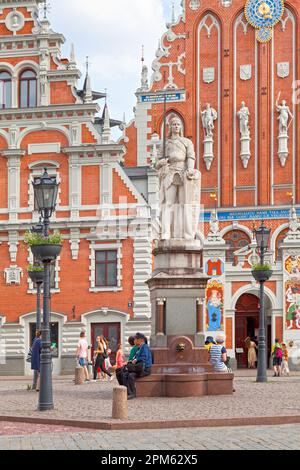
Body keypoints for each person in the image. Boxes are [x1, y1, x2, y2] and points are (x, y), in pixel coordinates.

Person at [156, 116, 201, 240]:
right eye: (174, 124)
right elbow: (157, 162)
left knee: (184, 204)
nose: (176, 126)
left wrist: (190, 169)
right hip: (169, 173)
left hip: (183, 173)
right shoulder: (165, 143)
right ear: (170, 127)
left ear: (181, 127)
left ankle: (186, 233)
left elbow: (191, 156)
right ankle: (166, 233)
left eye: (178, 124)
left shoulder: (187, 142)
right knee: (168, 204)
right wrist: (162, 162)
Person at [122, 333, 152, 400]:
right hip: (139, 368)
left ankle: (132, 393)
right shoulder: (140, 347)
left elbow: (144, 357)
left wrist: (136, 359)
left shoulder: (145, 347)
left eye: (135, 339)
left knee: (131, 375)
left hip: (145, 369)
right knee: (125, 373)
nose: (134, 340)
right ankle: (125, 392)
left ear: (140, 340)